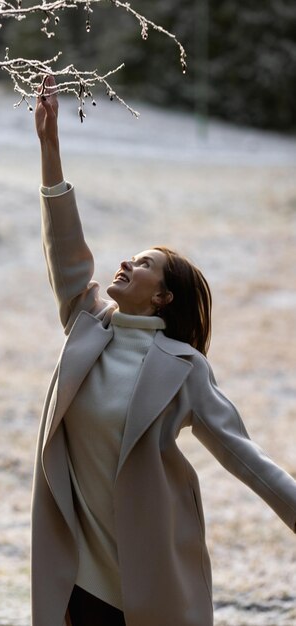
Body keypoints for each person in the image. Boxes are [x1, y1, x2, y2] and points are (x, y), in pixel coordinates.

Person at [31, 76, 296, 626]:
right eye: (129, 258)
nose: (125, 264)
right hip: (74, 574)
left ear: (162, 296)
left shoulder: (183, 368)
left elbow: (241, 454)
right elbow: (66, 253)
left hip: (148, 575)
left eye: (143, 264)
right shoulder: (86, 325)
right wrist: (50, 151)